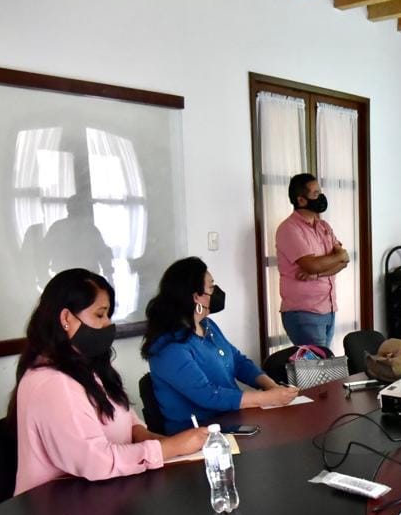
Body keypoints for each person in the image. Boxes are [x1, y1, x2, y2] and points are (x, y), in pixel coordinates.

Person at [9, 269, 209, 495]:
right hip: (58, 508)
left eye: (109, 315)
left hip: (104, 493)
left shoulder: (88, 365)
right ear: (66, 318)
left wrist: (160, 443)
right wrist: (171, 447)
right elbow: (96, 461)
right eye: (99, 315)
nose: (108, 324)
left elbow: (127, 420)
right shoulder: (51, 383)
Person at [142, 257, 298, 434]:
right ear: (196, 297)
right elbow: (207, 395)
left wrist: (271, 386)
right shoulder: (168, 346)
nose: (216, 292)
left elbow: (238, 362)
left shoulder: (207, 326)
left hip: (232, 420)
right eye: (211, 287)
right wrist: (267, 398)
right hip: (198, 434)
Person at [275, 173, 349, 348]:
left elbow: (344, 261)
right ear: (301, 200)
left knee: (323, 361)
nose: (321, 197)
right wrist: (337, 256)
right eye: (315, 194)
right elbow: (311, 265)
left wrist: (318, 274)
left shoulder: (323, 226)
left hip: (328, 308)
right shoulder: (289, 228)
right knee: (317, 363)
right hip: (304, 312)